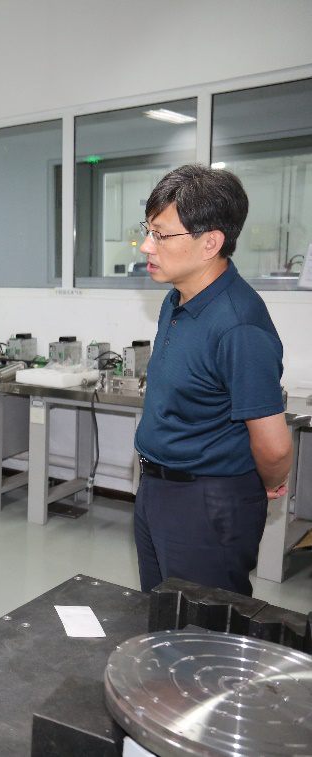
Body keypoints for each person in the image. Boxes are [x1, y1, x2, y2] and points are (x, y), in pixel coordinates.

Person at [133, 164, 292, 596]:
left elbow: (275, 447)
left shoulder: (239, 326)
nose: (147, 245)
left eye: (161, 235)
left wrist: (264, 482)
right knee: (159, 615)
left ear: (210, 242)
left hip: (207, 502)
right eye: (148, 230)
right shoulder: (177, 299)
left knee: (203, 627)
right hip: (156, 487)